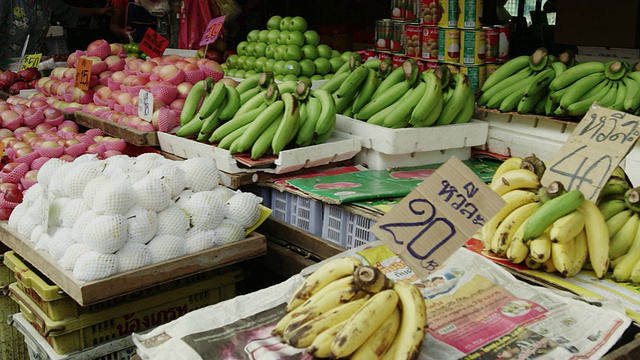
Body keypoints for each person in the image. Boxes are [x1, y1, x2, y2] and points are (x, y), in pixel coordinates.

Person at [0, 0, 112, 63]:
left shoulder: (47, 2)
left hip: (36, 63)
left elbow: (70, 12)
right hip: (6, 65)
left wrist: (99, 11)